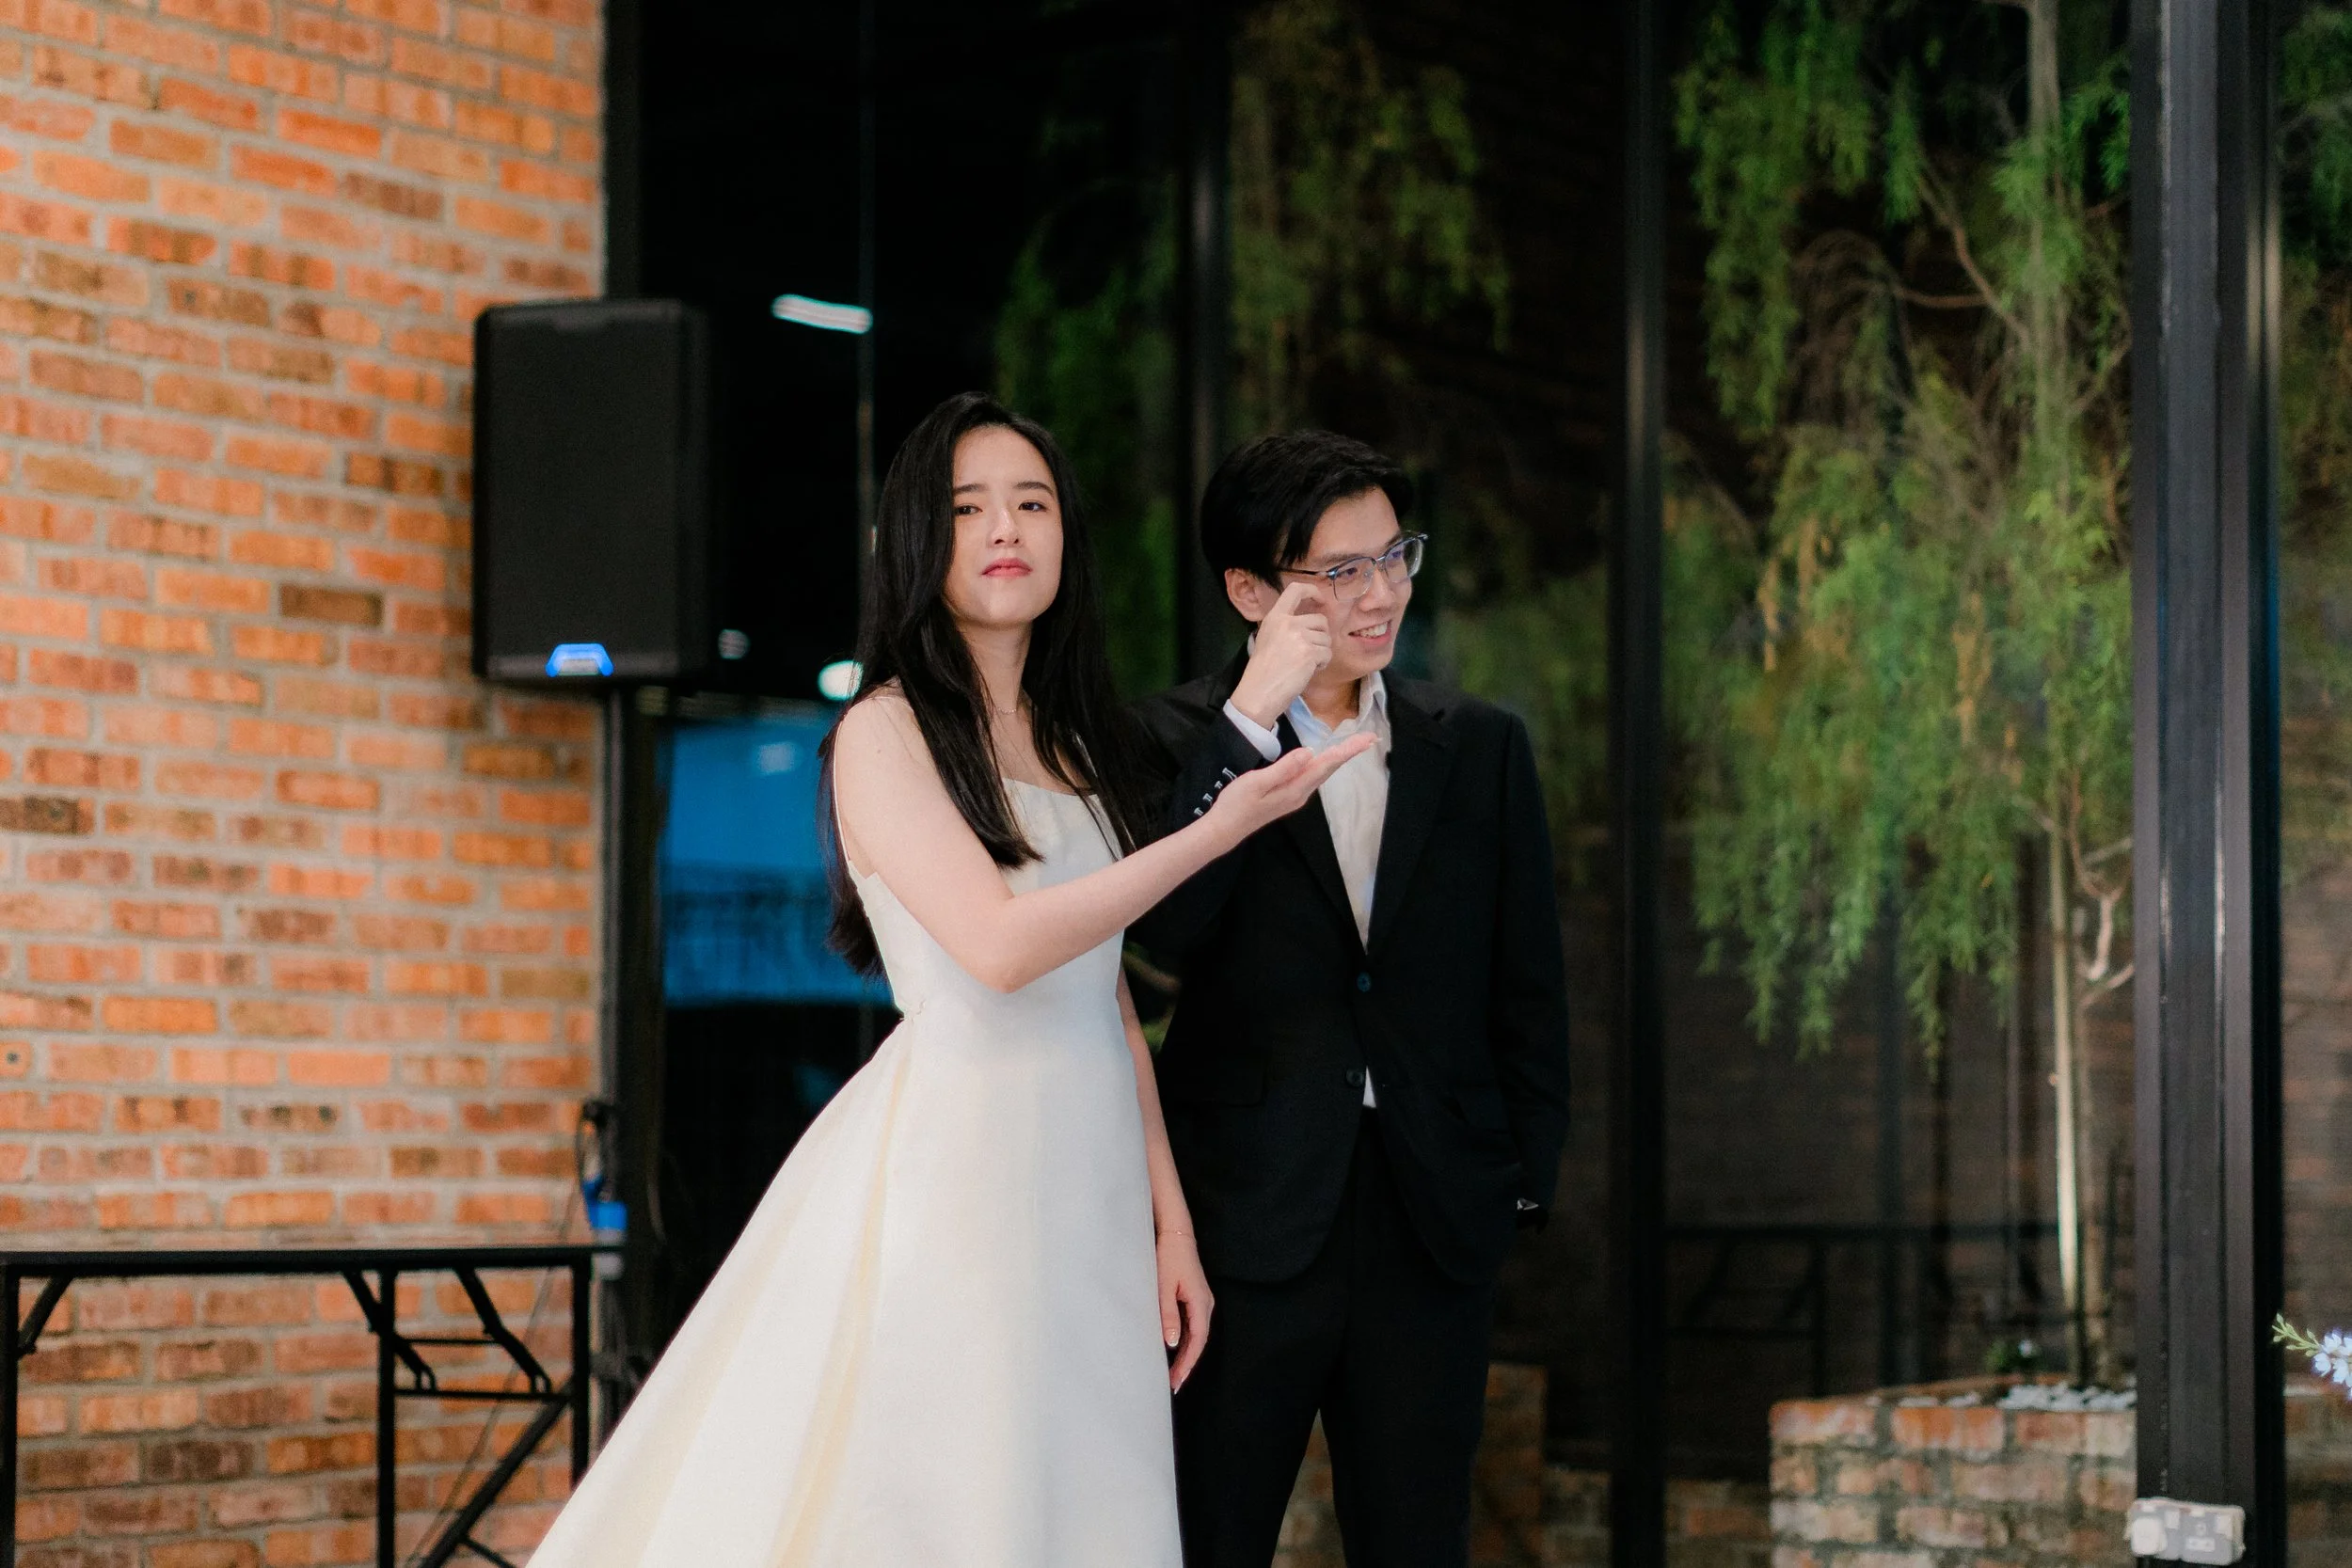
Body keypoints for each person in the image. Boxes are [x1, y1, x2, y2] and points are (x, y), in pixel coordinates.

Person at [528, 393, 1368, 1567]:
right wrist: (1215, 829)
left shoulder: (1073, 737)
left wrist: (1171, 1219)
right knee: (954, 1486)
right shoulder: (883, 728)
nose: (1004, 527)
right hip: (962, 1160)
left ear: (1066, 535)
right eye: (968, 507)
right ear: (921, 537)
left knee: (1080, 1488)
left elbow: (1108, 995)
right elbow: (1002, 944)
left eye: (1030, 501)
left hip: (1090, 1177)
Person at [1131, 430, 1574, 1568]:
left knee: (1417, 1542)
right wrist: (1246, 727)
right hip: (1244, 1223)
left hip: (1430, 1220)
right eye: (1339, 572)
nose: (1380, 594)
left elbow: (1527, 987)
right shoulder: (1171, 743)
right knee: (1208, 1534)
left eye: (1394, 557)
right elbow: (1157, 941)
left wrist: (1517, 1182)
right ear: (1248, 590)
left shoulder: (1476, 746)